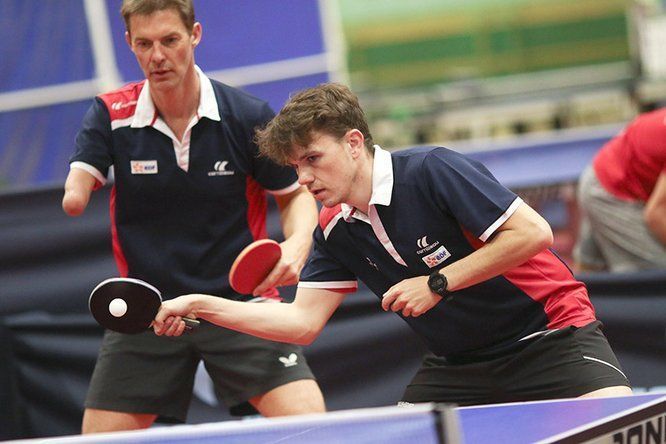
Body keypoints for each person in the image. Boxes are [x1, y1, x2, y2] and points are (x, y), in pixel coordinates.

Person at [153, 83, 632, 407]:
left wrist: (437, 283)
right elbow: (301, 323)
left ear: (353, 143)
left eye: (313, 158)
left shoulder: (432, 170)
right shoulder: (335, 228)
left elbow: (534, 234)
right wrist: (202, 305)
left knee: (612, 431)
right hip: (458, 366)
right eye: (296, 166)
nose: (304, 177)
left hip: (552, 338)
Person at [61, 0, 324, 434]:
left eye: (170, 40)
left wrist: (296, 244)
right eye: (144, 44)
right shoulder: (111, 115)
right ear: (129, 43)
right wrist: (76, 191)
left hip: (238, 303)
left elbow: (294, 195)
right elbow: (78, 187)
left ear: (194, 35)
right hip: (148, 309)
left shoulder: (244, 115)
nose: (157, 56)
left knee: (315, 429)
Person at [573, 108, 666, 272]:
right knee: (655, 278)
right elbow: (656, 214)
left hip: (614, 168)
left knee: (589, 272)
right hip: (610, 191)